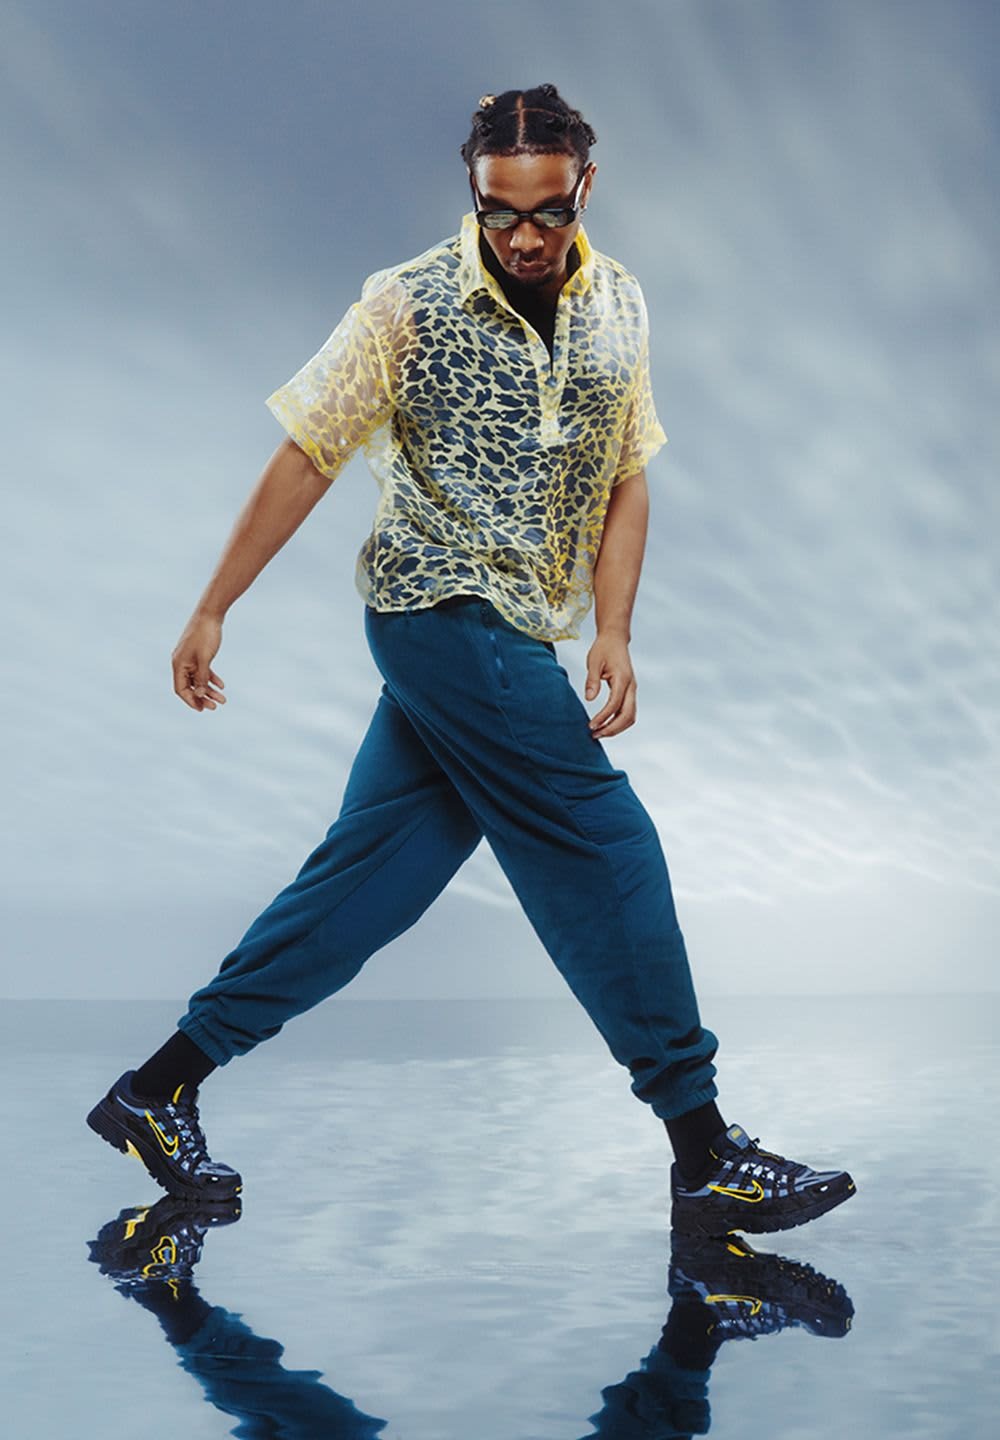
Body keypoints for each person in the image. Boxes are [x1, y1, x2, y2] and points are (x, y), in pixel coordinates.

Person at [87, 83, 856, 1238]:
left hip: (523, 628)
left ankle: (158, 1089)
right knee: (606, 849)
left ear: (582, 187)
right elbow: (307, 454)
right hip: (440, 616)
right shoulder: (406, 305)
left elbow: (627, 473)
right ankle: (704, 1152)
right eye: (500, 213)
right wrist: (213, 607)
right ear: (474, 196)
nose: (525, 236)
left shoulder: (620, 307)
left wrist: (613, 627)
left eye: (545, 211)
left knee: (364, 889)